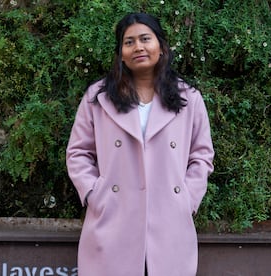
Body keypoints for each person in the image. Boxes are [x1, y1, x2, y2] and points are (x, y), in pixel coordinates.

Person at [66, 12, 214, 276]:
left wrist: (186, 198)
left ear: (161, 46)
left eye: (146, 39)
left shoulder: (188, 99)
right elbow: (78, 153)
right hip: (113, 219)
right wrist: (96, 194)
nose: (138, 47)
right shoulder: (98, 99)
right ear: (121, 53)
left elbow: (201, 155)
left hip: (170, 220)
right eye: (129, 42)